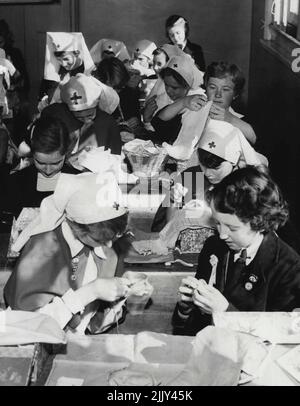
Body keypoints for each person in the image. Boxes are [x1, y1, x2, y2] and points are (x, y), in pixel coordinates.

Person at [172, 166, 300, 336]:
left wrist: (225, 312)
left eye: (232, 228)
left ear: (259, 222)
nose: (223, 235)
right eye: (217, 223)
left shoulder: (288, 268)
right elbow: (191, 330)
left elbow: (280, 338)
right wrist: (186, 308)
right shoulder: (214, 246)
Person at [4, 171, 132, 334]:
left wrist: (123, 295)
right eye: (99, 240)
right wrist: (89, 292)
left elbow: (91, 326)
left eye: (114, 237)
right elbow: (25, 325)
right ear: (76, 226)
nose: (108, 244)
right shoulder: (43, 249)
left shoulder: (103, 245)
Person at [151, 119, 267, 232]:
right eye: (203, 165)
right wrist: (173, 201)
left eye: (216, 168)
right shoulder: (190, 176)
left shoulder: (246, 186)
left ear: (233, 162)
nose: (207, 173)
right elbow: (167, 229)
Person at [1, 116, 80, 217]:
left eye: (56, 163)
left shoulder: (79, 181)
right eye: (41, 163)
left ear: (66, 153)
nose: (48, 171)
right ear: (32, 154)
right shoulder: (15, 182)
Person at [41, 73, 122, 168]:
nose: (86, 120)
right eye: (79, 117)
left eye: (90, 115)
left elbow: (114, 158)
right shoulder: (59, 114)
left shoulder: (106, 121)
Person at [149, 55, 204, 146]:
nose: (168, 91)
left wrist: (184, 102)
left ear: (187, 86)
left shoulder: (195, 101)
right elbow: (157, 124)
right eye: (166, 85)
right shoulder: (163, 97)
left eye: (174, 88)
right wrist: (147, 120)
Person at [203, 61, 256, 145]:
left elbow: (255, 139)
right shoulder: (193, 110)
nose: (218, 94)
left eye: (225, 89)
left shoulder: (241, 121)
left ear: (235, 94)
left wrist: (230, 119)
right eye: (212, 87)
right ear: (206, 88)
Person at [39, 32, 95, 107]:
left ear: (77, 53)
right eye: (59, 60)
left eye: (66, 59)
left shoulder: (89, 72)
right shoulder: (56, 73)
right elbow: (44, 93)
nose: (63, 64)